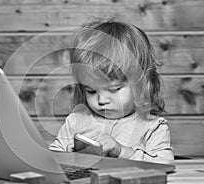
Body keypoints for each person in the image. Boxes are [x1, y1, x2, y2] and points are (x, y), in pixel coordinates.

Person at [49, 18, 174, 164]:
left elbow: (165, 163)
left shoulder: (152, 126)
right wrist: (68, 155)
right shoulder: (76, 121)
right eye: (91, 91)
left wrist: (121, 151)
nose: (102, 101)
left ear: (141, 84)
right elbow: (53, 158)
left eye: (114, 89)